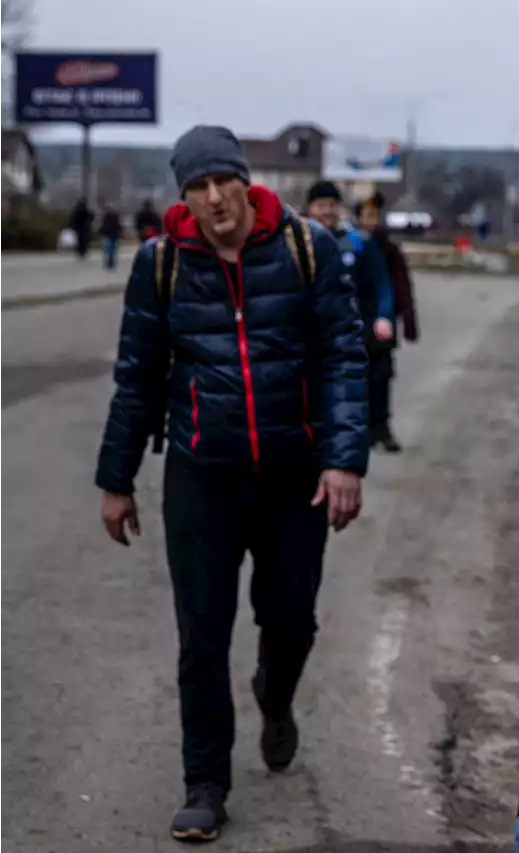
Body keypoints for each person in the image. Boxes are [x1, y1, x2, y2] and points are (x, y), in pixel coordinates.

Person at [94, 125, 370, 842]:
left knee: (292, 621)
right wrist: (115, 478)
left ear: (245, 182)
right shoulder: (162, 264)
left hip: (292, 476)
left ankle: (275, 699)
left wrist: (344, 459)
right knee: (201, 635)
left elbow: (344, 356)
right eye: (197, 187)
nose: (214, 198)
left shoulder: (310, 248)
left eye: (224, 182)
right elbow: (137, 380)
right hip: (201, 477)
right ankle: (205, 782)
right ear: (183, 194)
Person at [305, 181, 398, 451]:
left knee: (371, 379)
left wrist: (383, 317)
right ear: (309, 209)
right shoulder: (297, 242)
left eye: (332, 206)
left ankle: (374, 430)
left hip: (355, 328)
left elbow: (381, 282)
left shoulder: (357, 242)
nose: (327, 212)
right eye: (321, 206)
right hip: (312, 331)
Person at [356, 194, 419, 453]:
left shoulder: (388, 249)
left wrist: (409, 321)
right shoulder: (349, 246)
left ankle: (382, 427)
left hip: (382, 325)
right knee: (359, 379)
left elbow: (401, 286)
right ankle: (364, 429)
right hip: (355, 325)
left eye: (375, 216)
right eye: (367, 216)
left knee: (382, 377)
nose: (371, 221)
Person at [99, 203, 123, 270]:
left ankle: (108, 263)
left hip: (107, 234)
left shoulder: (105, 217)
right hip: (113, 234)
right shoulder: (115, 216)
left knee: (107, 249)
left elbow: (103, 226)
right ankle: (111, 262)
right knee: (112, 249)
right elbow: (118, 226)